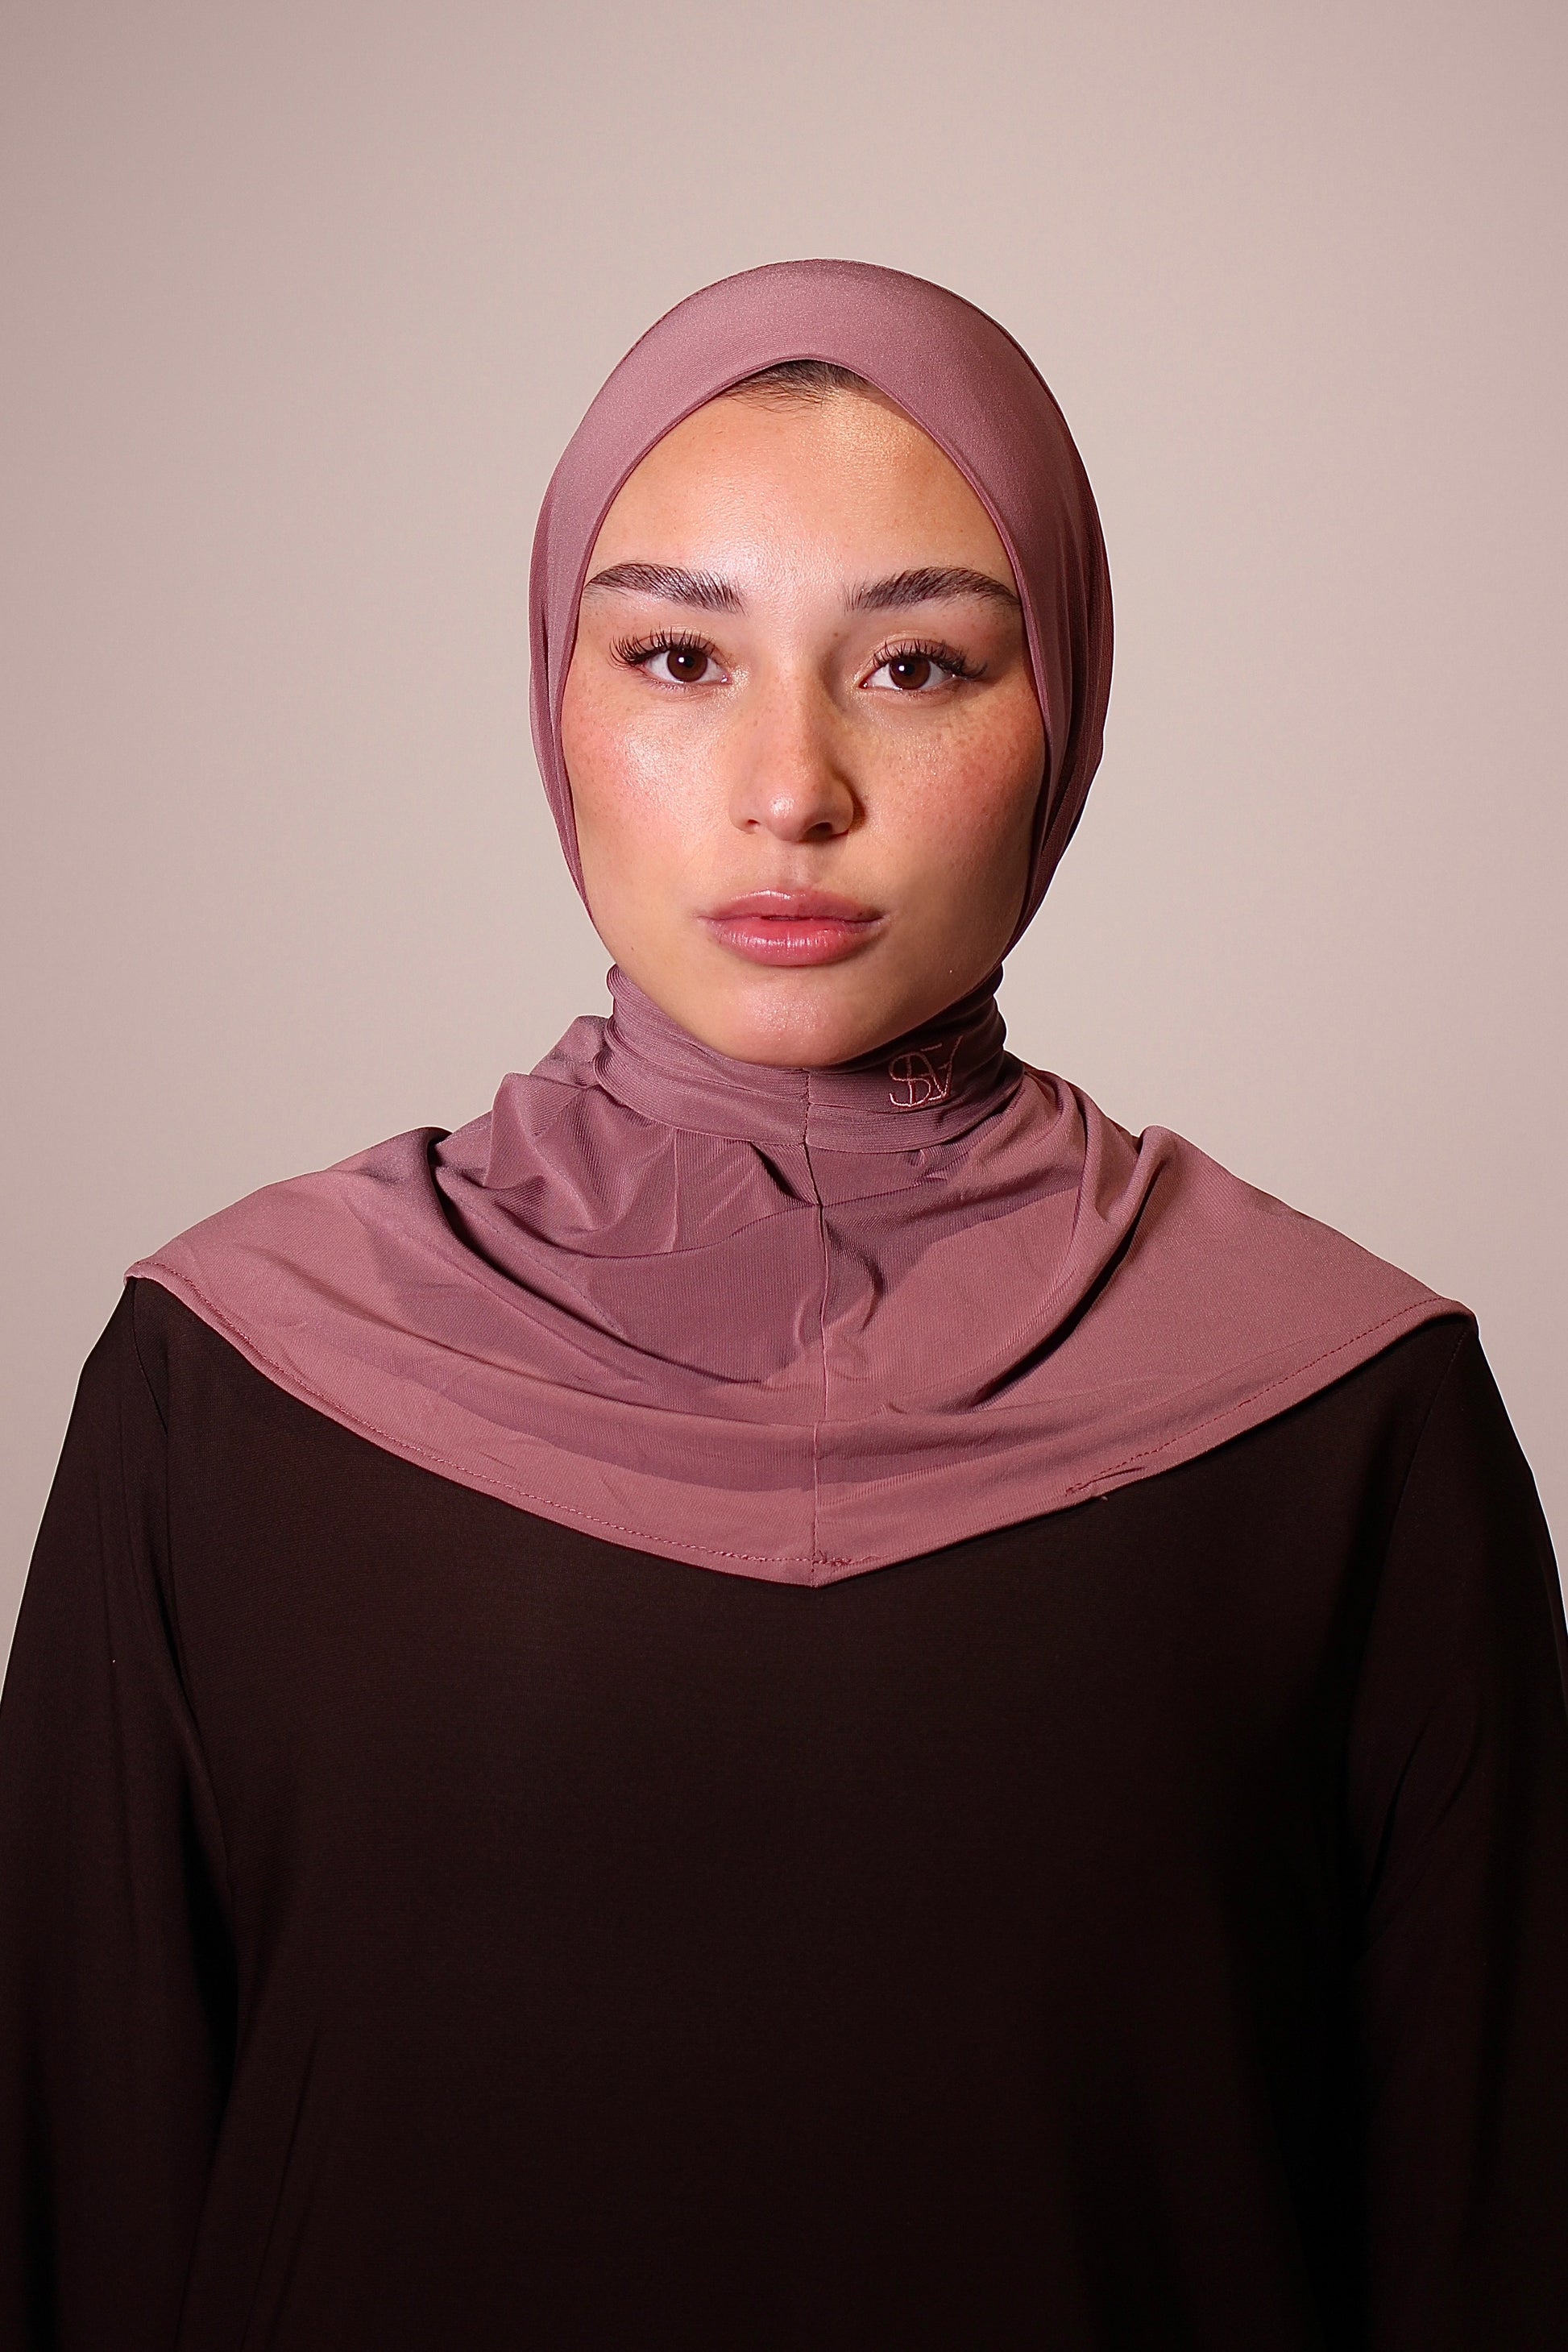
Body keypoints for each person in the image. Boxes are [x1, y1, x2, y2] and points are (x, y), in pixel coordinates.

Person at [2, 259, 1564, 2350]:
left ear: (1063, 712)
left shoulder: (1349, 1417)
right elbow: (75, 2220)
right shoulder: (229, 1384)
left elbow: (1497, 2245)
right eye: (678, 656)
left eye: (914, 666)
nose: (788, 786)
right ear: (553, 700)